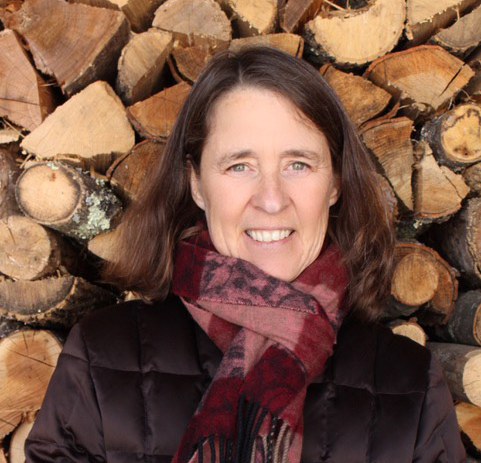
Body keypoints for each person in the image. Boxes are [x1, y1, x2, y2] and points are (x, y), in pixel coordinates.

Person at [25, 46, 466, 463]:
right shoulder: (101, 358)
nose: (271, 200)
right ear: (197, 183)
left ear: (334, 183)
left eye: (298, 164)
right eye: (240, 166)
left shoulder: (410, 385)